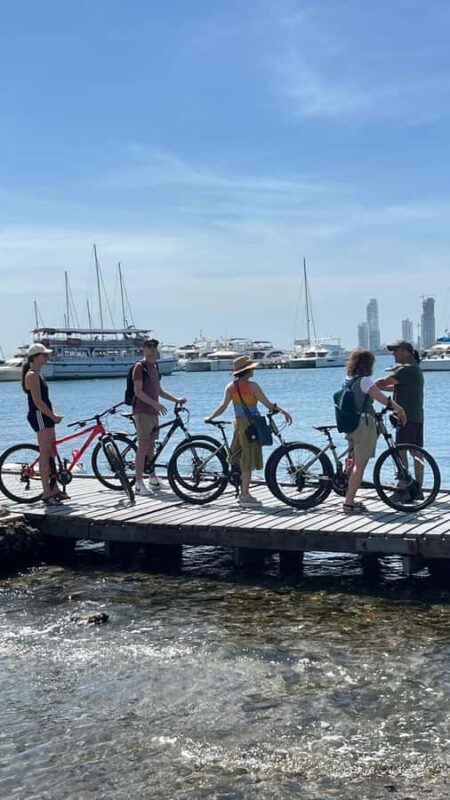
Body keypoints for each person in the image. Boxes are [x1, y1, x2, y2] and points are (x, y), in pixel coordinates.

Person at [205, 355, 292, 508]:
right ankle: (245, 494)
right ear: (247, 371)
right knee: (248, 459)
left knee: (238, 456)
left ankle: (239, 486)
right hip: (251, 426)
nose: (254, 370)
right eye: (251, 368)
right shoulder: (253, 386)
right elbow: (268, 404)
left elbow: (223, 406)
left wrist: (210, 417)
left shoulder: (231, 386)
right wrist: (284, 412)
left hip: (238, 425)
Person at [342, 348, 406, 514]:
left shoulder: (349, 380)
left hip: (352, 424)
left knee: (354, 461)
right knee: (360, 466)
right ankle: (349, 503)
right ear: (368, 364)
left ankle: (348, 496)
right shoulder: (365, 381)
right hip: (364, 426)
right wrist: (399, 409)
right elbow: (384, 400)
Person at [133, 338, 186, 495]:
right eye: (149, 347)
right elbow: (138, 392)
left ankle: (153, 478)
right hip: (142, 411)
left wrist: (176, 399)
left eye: (155, 347)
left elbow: (159, 391)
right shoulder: (139, 367)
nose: (152, 349)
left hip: (153, 412)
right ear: (144, 349)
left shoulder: (154, 366)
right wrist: (155, 404)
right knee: (142, 446)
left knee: (151, 446)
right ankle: (138, 482)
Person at [375, 339, 424, 498]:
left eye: (396, 351)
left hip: (405, 418)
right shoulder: (415, 369)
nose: (394, 354)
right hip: (417, 416)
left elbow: (384, 382)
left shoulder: (405, 369)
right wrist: (380, 387)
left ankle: (403, 489)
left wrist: (370, 385)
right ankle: (418, 489)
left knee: (401, 452)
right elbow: (394, 386)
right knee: (417, 453)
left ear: (407, 352)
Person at [22, 343, 65, 506]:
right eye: (44, 355)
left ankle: (54, 488)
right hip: (39, 416)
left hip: (45, 415)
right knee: (45, 453)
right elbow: (38, 402)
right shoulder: (31, 375)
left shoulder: (39, 374)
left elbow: (46, 400)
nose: (46, 358)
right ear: (35, 357)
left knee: (52, 452)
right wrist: (52, 416)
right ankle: (46, 492)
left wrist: (54, 414)